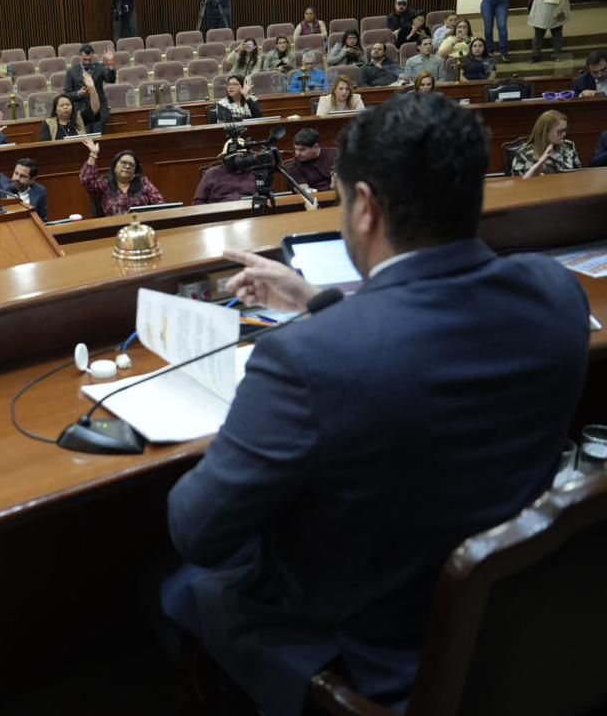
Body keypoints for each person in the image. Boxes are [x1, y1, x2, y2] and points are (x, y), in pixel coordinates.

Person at [162, 91, 589, 716]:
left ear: (364, 206)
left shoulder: (304, 360)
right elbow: (423, 336)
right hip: (509, 626)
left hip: (372, 656)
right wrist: (317, 301)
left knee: (171, 581)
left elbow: (196, 529)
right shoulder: (556, 293)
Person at [0, 117, 48, 220]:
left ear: (32, 179)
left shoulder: (40, 192)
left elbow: (42, 219)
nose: (16, 178)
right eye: (16, 173)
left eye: (23, 176)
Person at [79, 141, 164, 215]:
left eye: (131, 165)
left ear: (135, 171)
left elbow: (160, 204)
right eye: (123, 163)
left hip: (140, 225)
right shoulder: (105, 184)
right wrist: (93, 154)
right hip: (114, 226)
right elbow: (87, 180)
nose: (127, 166)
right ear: (114, 167)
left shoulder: (143, 182)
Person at [63, 44, 118, 134]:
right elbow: (67, 94)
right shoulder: (71, 71)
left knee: (99, 138)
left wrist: (110, 63)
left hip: (99, 111)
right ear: (80, 56)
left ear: (92, 55)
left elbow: (111, 80)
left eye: (89, 59)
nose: (87, 62)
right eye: (84, 59)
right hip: (81, 112)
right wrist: (79, 93)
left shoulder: (99, 67)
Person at [511, 110, 581, 178]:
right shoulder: (523, 155)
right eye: (560, 132)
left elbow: (579, 173)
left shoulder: (568, 146)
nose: (564, 134)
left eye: (565, 130)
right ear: (545, 131)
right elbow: (518, 182)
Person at [192, 139, 261, 204]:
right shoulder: (211, 173)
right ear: (224, 158)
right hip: (219, 211)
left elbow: (264, 198)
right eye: (233, 157)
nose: (236, 161)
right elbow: (198, 201)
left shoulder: (256, 172)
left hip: (250, 210)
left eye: (240, 157)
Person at [280, 127, 336, 191]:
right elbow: (304, 191)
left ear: (315, 146)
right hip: (313, 196)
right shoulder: (293, 163)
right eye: (295, 149)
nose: (297, 153)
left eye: (302, 150)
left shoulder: (336, 154)